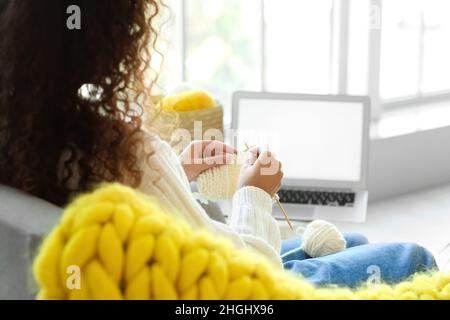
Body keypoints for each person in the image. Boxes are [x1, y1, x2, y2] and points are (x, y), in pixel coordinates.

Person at [0, 0, 436, 287]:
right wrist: (253, 194)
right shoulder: (123, 149)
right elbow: (249, 276)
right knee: (410, 255)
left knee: (351, 242)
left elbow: (141, 213)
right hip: (226, 291)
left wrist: (175, 175)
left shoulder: (31, 137)